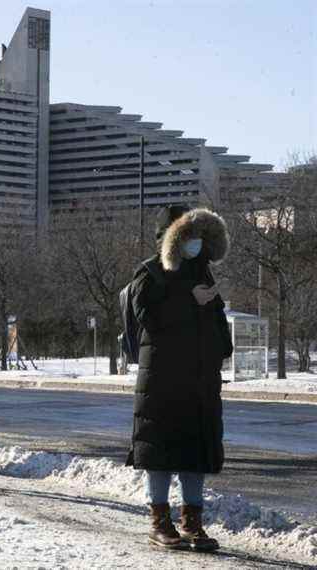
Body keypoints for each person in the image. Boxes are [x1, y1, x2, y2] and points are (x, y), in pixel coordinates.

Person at [127, 205, 233, 552]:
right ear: (172, 238)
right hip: (161, 381)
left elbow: (218, 324)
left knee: (195, 451)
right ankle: (159, 521)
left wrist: (220, 345)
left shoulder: (203, 275)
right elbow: (149, 319)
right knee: (159, 451)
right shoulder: (150, 274)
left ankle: (192, 522)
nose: (196, 245)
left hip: (200, 382)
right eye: (189, 238)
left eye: (200, 238)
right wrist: (190, 301)